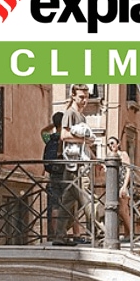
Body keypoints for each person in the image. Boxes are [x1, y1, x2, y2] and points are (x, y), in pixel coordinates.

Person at [58, 85, 95, 245]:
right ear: (73, 96)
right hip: (74, 163)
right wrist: (86, 140)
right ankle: (96, 233)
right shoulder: (70, 113)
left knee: (69, 200)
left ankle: (60, 236)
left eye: (86, 97)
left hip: (78, 161)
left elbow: (84, 145)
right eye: (81, 97)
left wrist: (96, 159)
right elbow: (64, 135)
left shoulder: (82, 117)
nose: (85, 100)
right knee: (86, 197)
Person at [41, 112, 67, 241]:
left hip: (52, 174)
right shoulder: (66, 138)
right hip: (65, 174)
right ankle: (68, 234)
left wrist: (55, 123)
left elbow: (43, 131)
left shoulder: (49, 138)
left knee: (55, 205)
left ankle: (55, 234)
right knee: (69, 203)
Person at [107, 137, 133, 241]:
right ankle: (127, 234)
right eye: (108, 144)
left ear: (118, 144)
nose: (110, 146)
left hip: (123, 184)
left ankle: (131, 234)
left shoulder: (123, 154)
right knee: (121, 210)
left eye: (112, 143)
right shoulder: (110, 156)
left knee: (123, 210)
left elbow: (128, 170)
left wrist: (125, 186)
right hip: (115, 185)